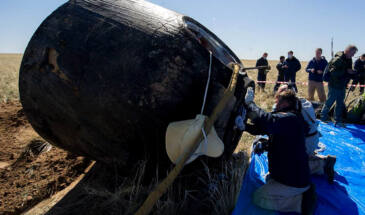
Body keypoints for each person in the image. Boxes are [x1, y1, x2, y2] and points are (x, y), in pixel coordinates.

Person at [243, 87, 316, 214]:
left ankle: (301, 202)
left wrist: (249, 104)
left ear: (286, 103)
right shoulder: (291, 118)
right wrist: (244, 126)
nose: (275, 105)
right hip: (290, 174)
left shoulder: (290, 119)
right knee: (267, 179)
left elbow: (266, 121)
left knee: (259, 197)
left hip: (294, 181)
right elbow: (263, 128)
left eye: (278, 102)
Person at [275, 85, 337, 183]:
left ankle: (323, 165)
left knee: (288, 167)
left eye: (280, 98)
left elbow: (296, 132)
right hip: (312, 139)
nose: (277, 100)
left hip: (306, 141)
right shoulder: (302, 102)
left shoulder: (294, 110)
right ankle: (319, 159)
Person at [321, 45, 358, 126]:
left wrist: (353, 73)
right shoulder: (338, 59)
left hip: (342, 85)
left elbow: (347, 71)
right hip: (334, 85)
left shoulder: (348, 59)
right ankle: (323, 117)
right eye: (353, 53)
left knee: (340, 103)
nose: (353, 55)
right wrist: (346, 71)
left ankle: (337, 120)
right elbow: (333, 73)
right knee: (330, 101)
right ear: (348, 51)